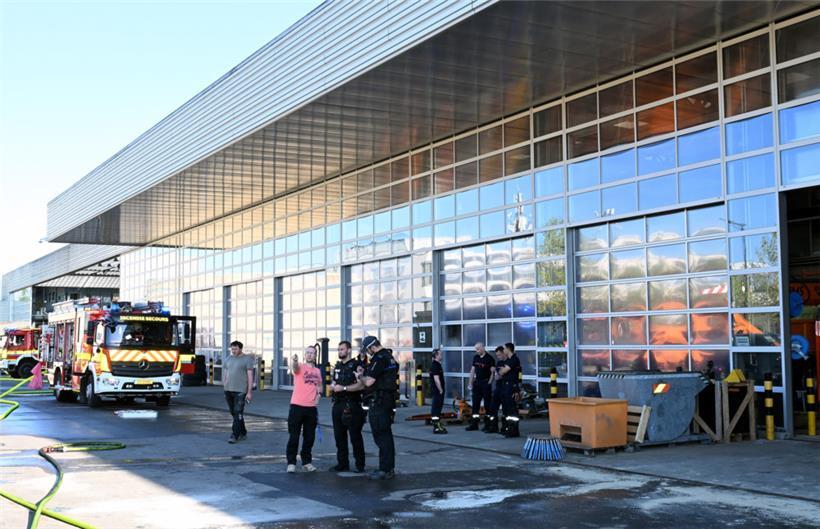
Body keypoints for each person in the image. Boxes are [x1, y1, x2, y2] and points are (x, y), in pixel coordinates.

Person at [357, 335, 398, 480]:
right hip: (388, 400)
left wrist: (360, 376)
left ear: (371, 347)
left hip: (380, 401)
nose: (368, 353)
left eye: (367, 350)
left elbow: (369, 382)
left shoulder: (379, 358)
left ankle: (386, 470)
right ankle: (386, 468)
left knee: (381, 435)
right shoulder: (389, 356)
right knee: (385, 435)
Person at [329, 340, 366, 473]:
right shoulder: (338, 366)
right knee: (339, 436)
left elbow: (361, 385)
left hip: (352, 404)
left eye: (342, 349)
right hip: (338, 404)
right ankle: (342, 463)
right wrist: (333, 386)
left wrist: (344, 388)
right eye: (339, 350)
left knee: (355, 436)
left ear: (349, 350)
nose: (340, 352)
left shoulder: (357, 365)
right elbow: (335, 381)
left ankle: (360, 465)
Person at [286, 345, 322, 473]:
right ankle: (291, 463)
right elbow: (294, 368)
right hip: (297, 407)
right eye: (307, 352)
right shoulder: (300, 367)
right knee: (294, 436)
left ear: (315, 355)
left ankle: (306, 462)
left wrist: (318, 395)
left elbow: (320, 386)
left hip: (311, 409)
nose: (310, 354)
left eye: (312, 353)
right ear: (305, 355)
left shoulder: (317, 371)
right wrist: (294, 361)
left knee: (309, 437)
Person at [223, 340, 254, 443]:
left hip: (240, 391)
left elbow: (250, 376)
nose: (233, 351)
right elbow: (226, 373)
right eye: (232, 349)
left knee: (238, 412)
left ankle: (234, 435)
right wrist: (225, 385)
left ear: (240, 348)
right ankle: (243, 432)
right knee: (234, 413)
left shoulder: (247, 359)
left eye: (235, 349)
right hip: (228, 390)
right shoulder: (228, 359)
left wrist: (249, 392)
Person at [466, 342, 495, 431]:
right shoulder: (476, 357)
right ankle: (474, 424)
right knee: (475, 404)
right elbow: (472, 370)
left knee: (487, 405)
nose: (477, 351)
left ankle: (488, 424)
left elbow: (493, 372)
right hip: (477, 383)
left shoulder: (490, 358)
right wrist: (470, 383)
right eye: (476, 349)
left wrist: (489, 383)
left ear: (483, 348)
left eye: (478, 349)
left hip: (486, 382)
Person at [497, 342, 522, 438]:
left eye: (504, 349)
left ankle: (514, 430)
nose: (503, 350)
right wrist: (501, 371)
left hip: (511, 386)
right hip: (506, 386)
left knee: (512, 409)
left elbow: (503, 371)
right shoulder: (508, 360)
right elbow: (501, 372)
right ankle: (508, 428)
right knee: (506, 409)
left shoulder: (514, 360)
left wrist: (502, 371)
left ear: (508, 349)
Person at [484, 346, 506, 434]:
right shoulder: (499, 363)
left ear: (504, 353)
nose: (498, 357)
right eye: (497, 355)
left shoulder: (508, 363)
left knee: (505, 409)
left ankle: (505, 428)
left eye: (499, 355)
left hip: (505, 389)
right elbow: (497, 377)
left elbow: (501, 375)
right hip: (498, 388)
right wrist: (496, 372)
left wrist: (498, 373)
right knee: (492, 407)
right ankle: (493, 426)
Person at [429, 349, 447, 434]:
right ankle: (436, 427)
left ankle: (438, 425)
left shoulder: (437, 365)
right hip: (437, 390)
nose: (441, 355)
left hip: (437, 390)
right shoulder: (435, 366)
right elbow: (436, 379)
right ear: (436, 355)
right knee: (436, 408)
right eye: (440, 354)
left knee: (438, 408)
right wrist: (440, 390)